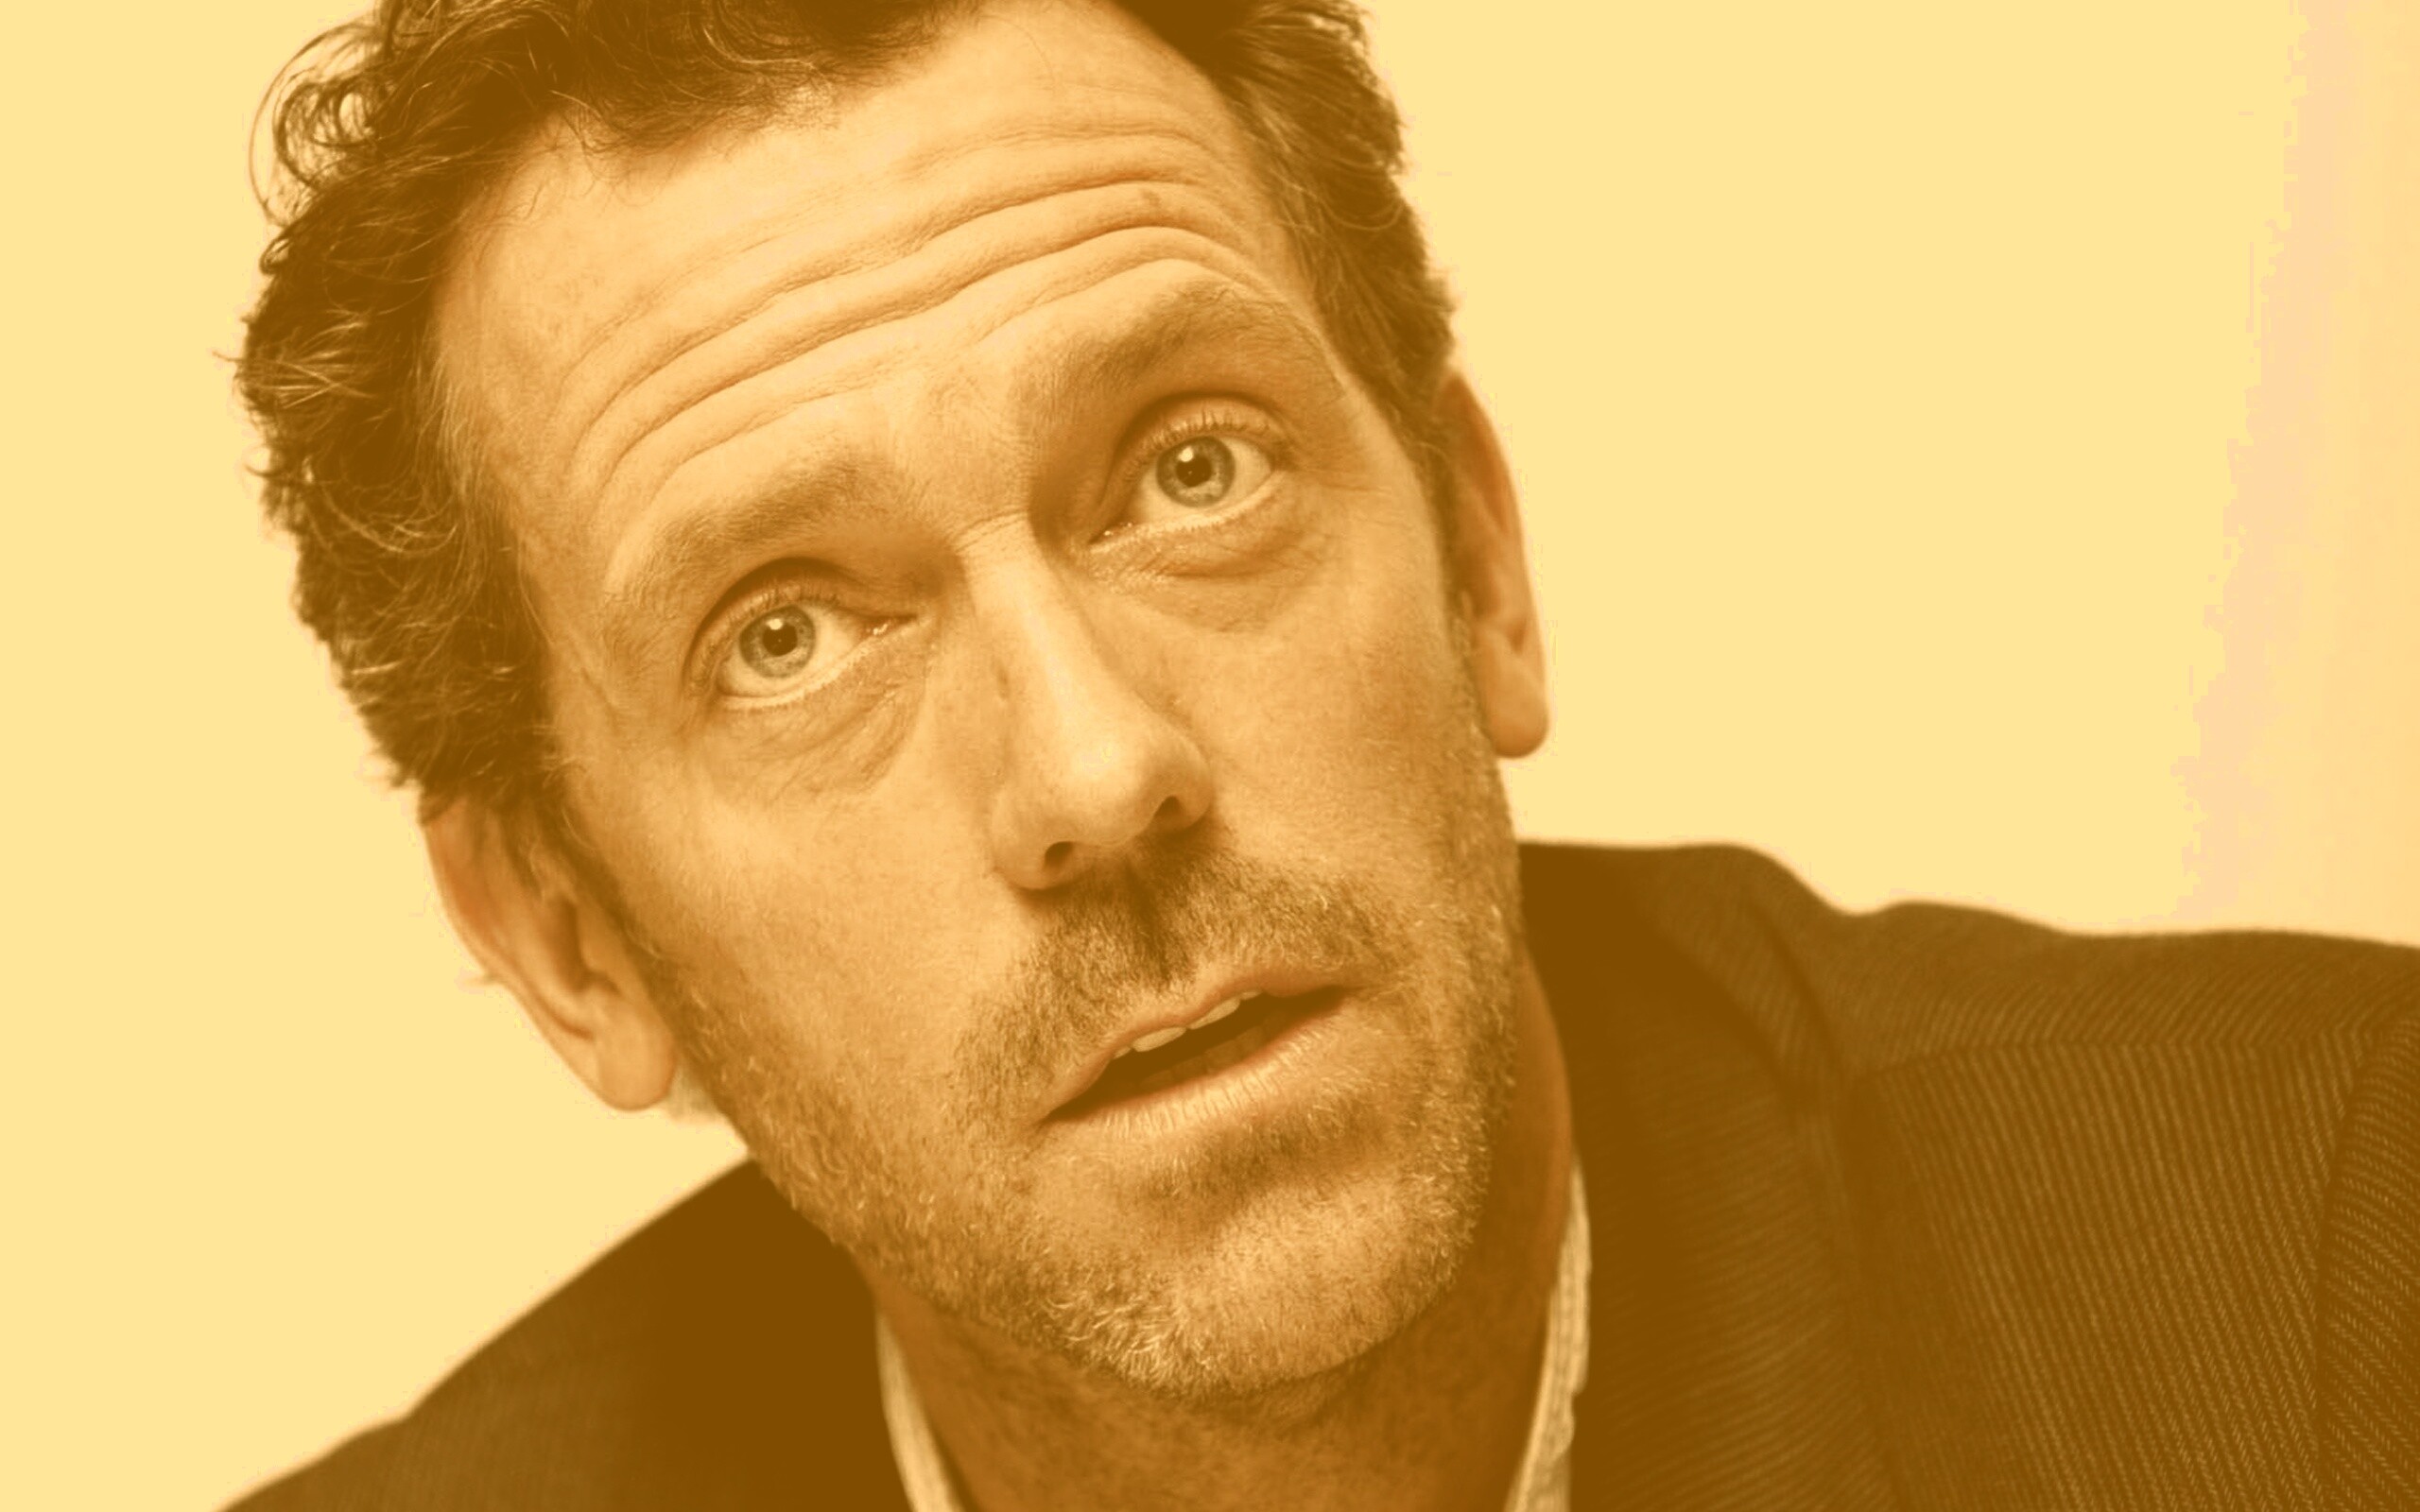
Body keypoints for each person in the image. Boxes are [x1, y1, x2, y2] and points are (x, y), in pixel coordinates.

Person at [226, 1, 2418, 1507]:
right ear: (570, 936)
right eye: (784, 634)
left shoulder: (2324, 1276)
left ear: (1477, 560)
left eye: (1190, 469)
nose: (1098, 771)